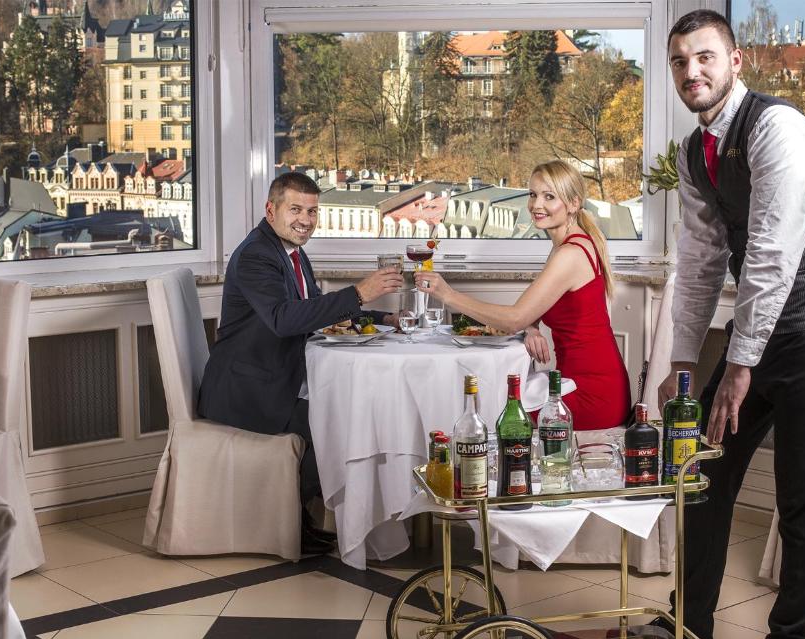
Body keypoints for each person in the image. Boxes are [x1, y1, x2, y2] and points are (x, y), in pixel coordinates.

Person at [657, 10, 805, 639]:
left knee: (802, 494)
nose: (692, 72)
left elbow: (772, 257)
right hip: (760, 332)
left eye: (705, 57)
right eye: (680, 61)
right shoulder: (694, 152)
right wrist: (683, 363)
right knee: (703, 472)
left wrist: (739, 365)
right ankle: (689, 622)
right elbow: (700, 262)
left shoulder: (780, 130)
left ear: (736, 61)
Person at [198, 171, 402, 554]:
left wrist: (383, 318)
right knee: (337, 421)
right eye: (295, 210)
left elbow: (313, 310)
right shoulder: (257, 255)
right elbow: (283, 319)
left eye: (312, 211)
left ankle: (308, 518)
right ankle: (290, 520)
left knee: (352, 410)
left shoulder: (291, 251)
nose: (305, 220)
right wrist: (359, 292)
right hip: (245, 390)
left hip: (275, 376)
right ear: (270, 210)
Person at [416, 160, 630, 430]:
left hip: (593, 394)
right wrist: (531, 328)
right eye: (533, 194)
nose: (536, 205)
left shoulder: (570, 254)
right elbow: (533, 311)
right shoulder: (570, 244)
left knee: (496, 411)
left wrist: (448, 295)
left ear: (573, 203)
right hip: (580, 382)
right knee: (492, 399)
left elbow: (513, 319)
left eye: (549, 196)